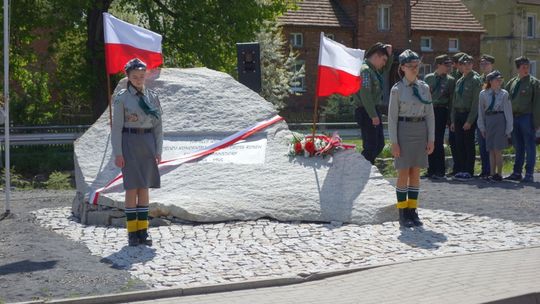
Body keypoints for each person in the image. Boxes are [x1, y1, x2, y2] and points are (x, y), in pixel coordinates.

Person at [111, 58, 163, 246]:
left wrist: (159, 149)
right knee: (132, 187)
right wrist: (118, 152)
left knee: (145, 186)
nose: (139, 79)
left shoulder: (152, 97)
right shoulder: (121, 98)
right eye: (135, 76)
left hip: (148, 142)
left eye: (142, 76)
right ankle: (132, 232)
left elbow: (158, 127)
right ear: (128, 76)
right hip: (130, 142)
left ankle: (143, 231)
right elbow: (116, 128)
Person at [388, 49, 435, 228]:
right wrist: (394, 142)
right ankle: (402, 212)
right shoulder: (397, 90)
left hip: (420, 130)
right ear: (402, 68)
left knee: (416, 171)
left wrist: (431, 138)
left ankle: (412, 210)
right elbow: (392, 118)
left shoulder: (424, 87)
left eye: (417, 65)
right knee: (403, 172)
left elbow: (430, 114)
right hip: (404, 130)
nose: (415, 69)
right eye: (411, 66)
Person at [353, 42, 393, 165]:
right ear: (376, 56)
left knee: (379, 144)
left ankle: (364, 166)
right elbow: (365, 94)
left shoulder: (374, 70)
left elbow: (386, 69)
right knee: (371, 145)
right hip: (366, 111)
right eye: (384, 60)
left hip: (372, 110)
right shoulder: (365, 70)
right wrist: (373, 115)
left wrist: (390, 55)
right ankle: (360, 168)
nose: (384, 63)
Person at [504, 56, 540, 183]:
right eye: (523, 67)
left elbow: (537, 103)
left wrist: (536, 122)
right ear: (518, 68)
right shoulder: (513, 82)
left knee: (530, 146)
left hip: (527, 117)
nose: (526, 69)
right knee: (518, 146)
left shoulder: (534, 83)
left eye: (527, 67)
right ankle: (516, 172)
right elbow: (506, 99)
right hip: (514, 117)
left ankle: (529, 173)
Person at [450, 54, 482, 181]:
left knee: (468, 143)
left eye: (469, 64)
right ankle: (461, 169)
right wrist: (452, 120)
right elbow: (454, 102)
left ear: (472, 65)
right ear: (460, 66)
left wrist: (470, 121)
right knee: (459, 143)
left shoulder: (476, 80)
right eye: (464, 64)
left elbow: (476, 102)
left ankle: (469, 170)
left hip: (468, 114)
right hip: (458, 114)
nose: (467, 66)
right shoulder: (459, 81)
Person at [477, 70, 513, 181]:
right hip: (489, 120)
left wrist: (508, 129)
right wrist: (482, 127)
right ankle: (492, 173)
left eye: (500, 79)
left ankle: (499, 173)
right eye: (497, 79)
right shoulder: (483, 94)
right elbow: (481, 111)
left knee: (498, 149)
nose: (499, 81)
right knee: (491, 149)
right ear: (491, 81)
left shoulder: (504, 94)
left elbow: (508, 111)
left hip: (499, 120)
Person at [423, 55, 455, 179]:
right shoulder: (428, 78)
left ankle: (440, 170)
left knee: (438, 139)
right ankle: (430, 169)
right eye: (445, 65)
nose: (448, 67)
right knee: (429, 140)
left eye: (449, 65)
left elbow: (452, 100)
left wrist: (450, 118)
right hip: (429, 110)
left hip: (441, 110)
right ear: (438, 65)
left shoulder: (450, 80)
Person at [477, 54, 496, 178]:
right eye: (482, 64)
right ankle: (485, 170)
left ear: (492, 65)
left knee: (492, 146)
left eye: (486, 64)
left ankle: (492, 170)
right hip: (481, 115)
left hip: (493, 116)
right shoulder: (479, 79)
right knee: (482, 145)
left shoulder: (496, 78)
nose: (484, 66)